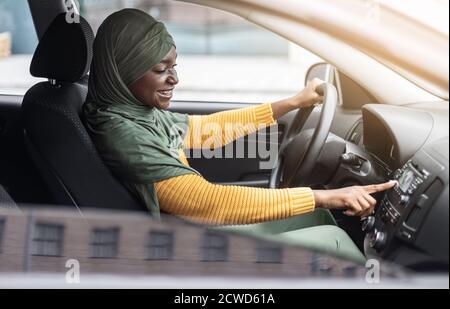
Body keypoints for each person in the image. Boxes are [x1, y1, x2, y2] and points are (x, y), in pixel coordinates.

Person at [83, 9, 396, 264]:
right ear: (125, 70)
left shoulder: (134, 113)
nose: (175, 78)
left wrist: (290, 104)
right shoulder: (123, 132)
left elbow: (204, 132)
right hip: (185, 253)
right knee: (333, 239)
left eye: (174, 66)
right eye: (160, 69)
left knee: (320, 218)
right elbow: (203, 202)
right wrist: (321, 194)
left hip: (187, 233)